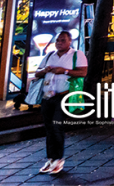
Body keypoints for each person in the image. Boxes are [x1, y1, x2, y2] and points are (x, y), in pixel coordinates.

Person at [35, 31, 87, 175]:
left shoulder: (76, 55)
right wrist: (44, 70)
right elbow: (37, 73)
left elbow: (82, 73)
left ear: (70, 42)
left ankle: (58, 159)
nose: (59, 43)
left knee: (57, 126)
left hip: (64, 96)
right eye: (57, 40)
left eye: (62, 40)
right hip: (47, 96)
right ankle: (51, 159)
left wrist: (64, 71)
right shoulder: (50, 55)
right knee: (48, 128)